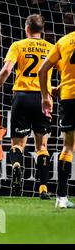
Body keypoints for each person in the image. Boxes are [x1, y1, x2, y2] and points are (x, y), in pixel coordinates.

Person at [0, 14, 53, 199]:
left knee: (17, 144)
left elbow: (7, 70)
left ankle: (17, 165)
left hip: (22, 97)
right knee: (42, 146)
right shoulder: (51, 48)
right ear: (43, 29)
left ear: (27, 29)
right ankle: (43, 188)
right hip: (42, 98)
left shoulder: (18, 46)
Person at [39, 31, 75, 209]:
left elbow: (42, 69)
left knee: (68, 147)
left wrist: (46, 96)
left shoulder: (64, 40)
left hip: (69, 98)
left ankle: (61, 198)